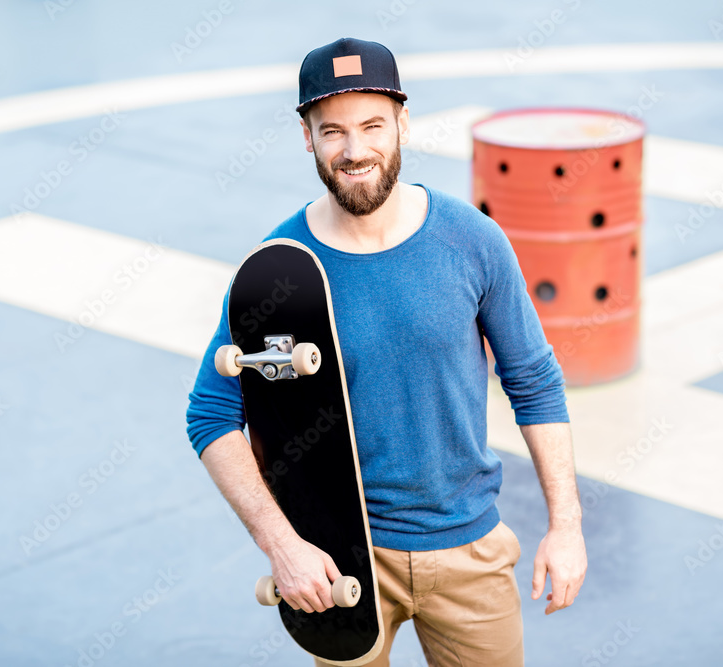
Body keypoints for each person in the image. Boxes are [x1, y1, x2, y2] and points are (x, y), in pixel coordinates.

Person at [186, 37, 587, 667]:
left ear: (403, 120)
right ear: (306, 136)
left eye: (373, 124)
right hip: (341, 558)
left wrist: (566, 528)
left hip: (469, 551)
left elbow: (534, 381)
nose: (354, 150)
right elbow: (210, 415)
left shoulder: (472, 240)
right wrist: (282, 545)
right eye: (332, 131)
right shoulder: (279, 270)